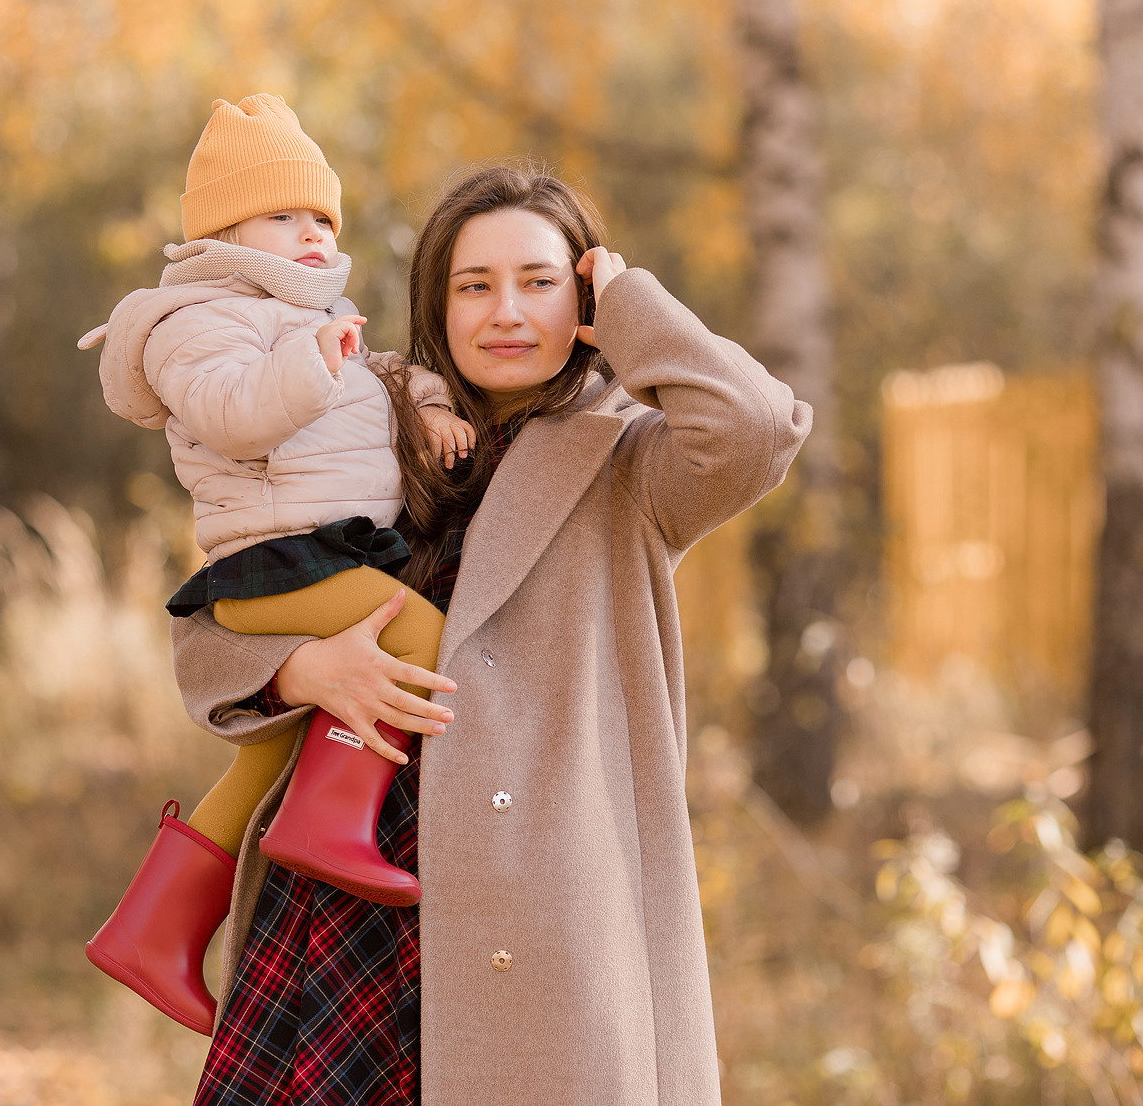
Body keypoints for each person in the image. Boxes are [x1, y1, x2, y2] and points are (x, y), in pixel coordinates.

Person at [173, 162, 811, 1105]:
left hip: (543, 919)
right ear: (438, 305)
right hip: (348, 902)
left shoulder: (633, 465)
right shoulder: (363, 427)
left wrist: (631, 304)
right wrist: (308, 671)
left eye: (539, 282)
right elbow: (215, 618)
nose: (506, 312)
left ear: (582, 299)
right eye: (474, 286)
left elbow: (755, 427)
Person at [77, 94, 475, 1035]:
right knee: (424, 638)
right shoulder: (193, 321)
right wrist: (314, 363)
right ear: (223, 234)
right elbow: (233, 411)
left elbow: (381, 374)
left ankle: (153, 934)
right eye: (283, 215)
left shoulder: (314, 319)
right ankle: (328, 824)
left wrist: (426, 400)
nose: (311, 234)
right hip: (275, 565)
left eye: (322, 218)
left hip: (323, 558)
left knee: (269, 754)